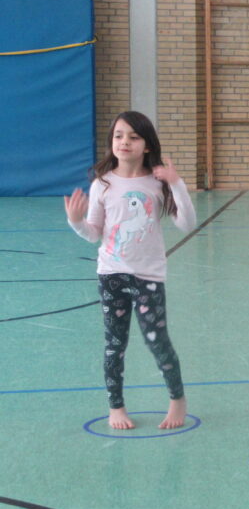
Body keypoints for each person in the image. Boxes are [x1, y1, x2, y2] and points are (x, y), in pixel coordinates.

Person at [64, 111, 197, 430]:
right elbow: (94, 233)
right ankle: (116, 406)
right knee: (114, 345)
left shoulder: (157, 182)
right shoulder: (103, 184)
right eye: (119, 135)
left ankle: (177, 399)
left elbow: (187, 224)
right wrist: (76, 222)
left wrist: (177, 184)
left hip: (148, 277)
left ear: (147, 145)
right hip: (111, 275)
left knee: (157, 341)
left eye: (133, 137)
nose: (124, 142)